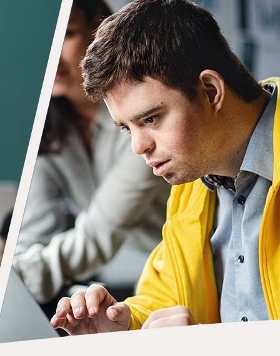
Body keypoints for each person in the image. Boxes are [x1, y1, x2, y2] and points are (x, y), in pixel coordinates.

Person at [50, 0, 280, 334]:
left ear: (211, 91)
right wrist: (126, 323)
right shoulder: (191, 184)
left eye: (151, 119)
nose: (138, 147)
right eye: (128, 128)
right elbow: (168, 295)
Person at [10, 0, 170, 313]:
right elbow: (32, 236)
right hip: (119, 283)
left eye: (67, 35)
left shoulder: (139, 110)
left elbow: (102, 231)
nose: (53, 59)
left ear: (98, 30)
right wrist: (12, 279)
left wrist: (18, 276)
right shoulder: (46, 126)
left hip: (178, 271)